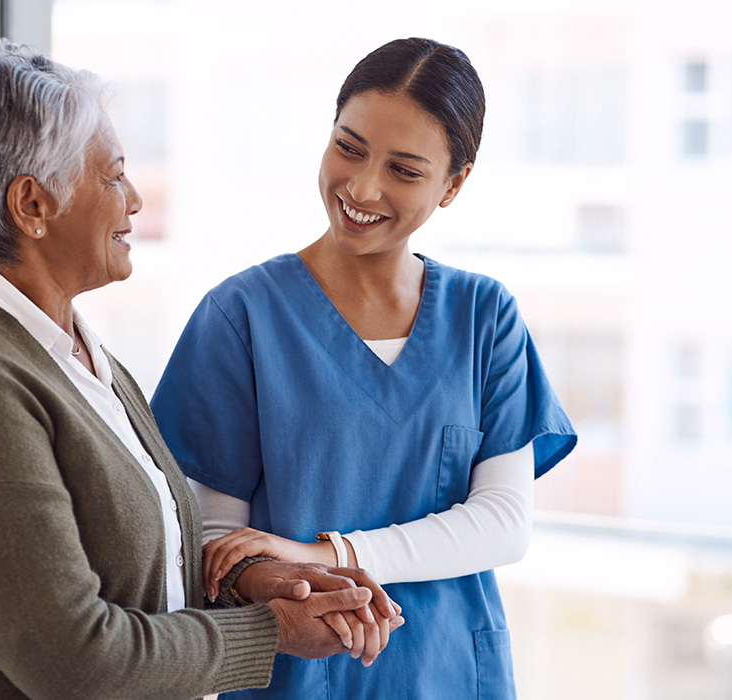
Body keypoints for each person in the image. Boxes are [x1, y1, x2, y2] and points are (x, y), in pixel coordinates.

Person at [0, 36, 404, 700]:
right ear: (32, 206)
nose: (134, 199)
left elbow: (120, 561)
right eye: (112, 176)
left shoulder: (64, 346)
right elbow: (74, 659)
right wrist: (270, 630)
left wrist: (250, 579)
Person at [151, 37, 578, 699]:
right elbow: (219, 541)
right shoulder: (241, 316)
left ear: (454, 184)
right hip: (296, 675)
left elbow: (502, 522)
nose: (362, 186)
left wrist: (331, 554)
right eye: (348, 147)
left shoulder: (484, 317)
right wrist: (284, 576)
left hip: (450, 674)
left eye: (405, 170)